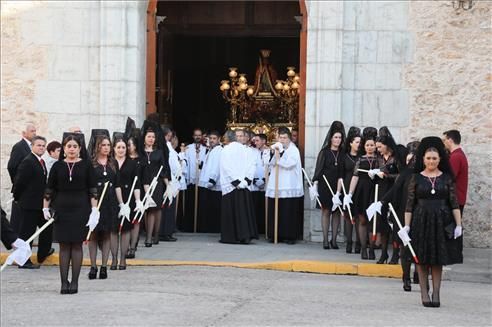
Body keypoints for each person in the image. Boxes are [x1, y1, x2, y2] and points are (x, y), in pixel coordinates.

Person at [401, 137, 463, 307]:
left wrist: (458, 225)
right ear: (423, 159)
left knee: (437, 259)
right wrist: (406, 226)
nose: (431, 161)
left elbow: (454, 203)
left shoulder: (447, 178)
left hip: (441, 221)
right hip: (421, 221)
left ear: (440, 160)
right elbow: (409, 204)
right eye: (428, 158)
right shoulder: (416, 178)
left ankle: (436, 293)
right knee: (421, 259)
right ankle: (424, 294)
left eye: (434, 158)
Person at [43, 133, 98, 294]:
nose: (72, 149)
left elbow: (92, 189)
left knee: (76, 245)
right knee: (64, 246)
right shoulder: (57, 166)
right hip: (61, 210)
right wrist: (45, 207)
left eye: (75, 146)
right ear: (64, 149)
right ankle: (63, 283)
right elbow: (49, 188)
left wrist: (94, 210)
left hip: (81, 209)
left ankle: (74, 282)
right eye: (69, 146)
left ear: (80, 149)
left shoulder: (87, 165)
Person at [13, 135, 54, 268]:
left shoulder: (40, 161)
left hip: (40, 205)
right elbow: (19, 183)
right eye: (38, 145)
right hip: (29, 204)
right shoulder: (28, 161)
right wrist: (18, 198)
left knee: (46, 228)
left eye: (43, 145)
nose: (41, 147)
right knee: (27, 233)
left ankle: (43, 253)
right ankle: (23, 261)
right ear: (32, 146)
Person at [87, 132, 121, 278]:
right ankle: (93, 265)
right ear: (98, 147)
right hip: (95, 200)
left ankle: (104, 266)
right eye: (103, 145)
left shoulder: (113, 163)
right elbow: (88, 185)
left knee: (107, 234)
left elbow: (118, 184)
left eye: (108, 145)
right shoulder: (91, 164)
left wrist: (122, 204)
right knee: (93, 234)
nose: (106, 148)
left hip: (110, 201)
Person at [310, 121, 345, 249]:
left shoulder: (342, 153)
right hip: (325, 185)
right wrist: (315, 185)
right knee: (326, 211)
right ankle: (325, 240)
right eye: (336, 137)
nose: (338, 140)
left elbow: (342, 173)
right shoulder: (324, 152)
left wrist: (339, 191)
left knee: (336, 212)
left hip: (338, 186)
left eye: (340, 137)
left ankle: (334, 240)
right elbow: (318, 170)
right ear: (331, 138)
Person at [266, 127, 304, 244]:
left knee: (287, 211)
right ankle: (275, 234)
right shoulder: (277, 148)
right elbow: (269, 162)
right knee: (275, 210)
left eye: (285, 138)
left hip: (288, 184)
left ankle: (289, 235)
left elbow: (289, 164)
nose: (282, 140)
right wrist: (273, 154)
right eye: (280, 137)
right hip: (276, 184)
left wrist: (280, 154)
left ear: (289, 138)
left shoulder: (293, 150)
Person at [219, 130, 258, 244]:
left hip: (232, 186)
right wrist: (246, 180)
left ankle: (231, 237)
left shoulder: (226, 149)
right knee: (244, 212)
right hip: (244, 186)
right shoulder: (247, 150)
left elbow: (226, 167)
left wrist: (236, 182)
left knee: (232, 212)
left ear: (227, 138)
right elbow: (252, 165)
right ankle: (246, 236)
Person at [347, 128, 380, 260]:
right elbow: (355, 177)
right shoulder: (360, 159)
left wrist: (378, 172)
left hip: (375, 190)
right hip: (362, 190)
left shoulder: (379, 159)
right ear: (364, 146)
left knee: (373, 221)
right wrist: (350, 194)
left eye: (372, 145)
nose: (370, 147)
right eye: (367, 145)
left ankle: (371, 248)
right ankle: (363, 249)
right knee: (362, 220)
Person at [111, 137, 142, 270]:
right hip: (112, 199)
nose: (121, 150)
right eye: (118, 147)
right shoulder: (109, 163)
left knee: (126, 229)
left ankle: (123, 259)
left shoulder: (132, 163)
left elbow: (137, 183)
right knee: (112, 229)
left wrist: (138, 201)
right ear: (114, 149)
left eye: (124, 147)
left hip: (128, 198)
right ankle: (113, 259)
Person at [140, 120, 171, 247]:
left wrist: (168, 185)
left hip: (157, 183)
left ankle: (152, 236)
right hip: (143, 183)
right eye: (149, 137)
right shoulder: (140, 152)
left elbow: (163, 169)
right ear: (144, 138)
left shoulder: (159, 152)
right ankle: (151, 235)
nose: (151, 139)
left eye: (153, 137)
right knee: (147, 210)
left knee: (155, 209)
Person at [374, 132, 402, 264]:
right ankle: (384, 253)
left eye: (380, 147)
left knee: (395, 224)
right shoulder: (379, 158)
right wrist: (373, 174)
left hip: (394, 192)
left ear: (387, 146)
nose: (378, 150)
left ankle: (396, 254)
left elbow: (401, 176)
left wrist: (387, 176)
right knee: (382, 223)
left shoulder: (396, 157)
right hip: (381, 191)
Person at [7, 123, 36, 233]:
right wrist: (17, 181)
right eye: (32, 131)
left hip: (31, 189)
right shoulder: (19, 146)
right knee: (18, 216)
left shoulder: (32, 147)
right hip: (22, 188)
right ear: (24, 133)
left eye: (35, 131)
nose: (35, 133)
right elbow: (12, 166)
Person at [181, 128, 207, 232]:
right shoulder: (188, 149)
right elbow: (185, 163)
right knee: (190, 204)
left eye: (199, 135)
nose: (197, 137)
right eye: (196, 135)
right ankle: (189, 226)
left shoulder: (206, 149)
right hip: (191, 181)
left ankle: (200, 226)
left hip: (201, 182)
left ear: (201, 137)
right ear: (193, 136)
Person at [197, 130, 223, 233]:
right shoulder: (210, 150)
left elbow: (216, 166)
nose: (212, 140)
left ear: (219, 139)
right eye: (210, 138)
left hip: (212, 183)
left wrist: (212, 179)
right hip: (205, 181)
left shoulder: (219, 150)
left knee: (214, 207)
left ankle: (214, 228)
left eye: (214, 139)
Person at [341, 127, 361, 253]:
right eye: (357, 142)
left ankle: (359, 242)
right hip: (347, 187)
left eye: (360, 142)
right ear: (351, 143)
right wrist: (339, 192)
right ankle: (349, 242)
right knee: (348, 216)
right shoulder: (345, 157)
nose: (359, 144)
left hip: (359, 188)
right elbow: (340, 175)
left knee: (359, 216)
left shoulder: (362, 157)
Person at [160, 128, 181, 241]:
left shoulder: (163, 146)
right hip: (170, 180)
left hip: (167, 179)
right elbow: (173, 165)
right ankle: (166, 232)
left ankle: (164, 231)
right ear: (168, 135)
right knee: (168, 207)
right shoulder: (167, 147)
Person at [126, 132, 143, 258]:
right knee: (126, 219)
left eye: (129, 145)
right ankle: (125, 246)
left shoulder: (141, 160)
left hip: (138, 190)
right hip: (125, 191)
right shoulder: (123, 160)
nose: (127, 148)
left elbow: (145, 176)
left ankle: (133, 246)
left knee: (136, 219)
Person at [443, 130, 468, 215]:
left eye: (444, 140)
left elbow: (449, 177)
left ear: (450, 140)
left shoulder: (456, 156)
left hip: (455, 200)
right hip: (458, 199)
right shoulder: (459, 154)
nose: (444, 143)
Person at [252, 133, 269, 234]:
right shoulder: (253, 152)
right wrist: (254, 180)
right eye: (255, 141)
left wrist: (264, 180)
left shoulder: (270, 151)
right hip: (254, 184)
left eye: (257, 140)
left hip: (266, 184)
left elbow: (271, 167)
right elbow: (251, 166)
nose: (255, 142)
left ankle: (265, 230)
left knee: (265, 209)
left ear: (264, 141)